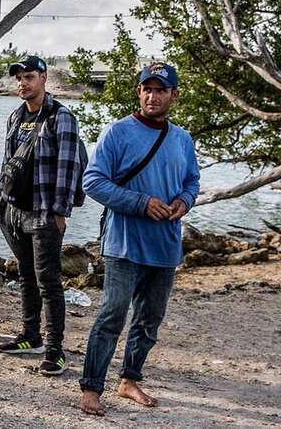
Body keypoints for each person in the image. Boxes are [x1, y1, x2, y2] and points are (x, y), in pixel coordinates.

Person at [79, 63, 199, 416]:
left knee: (150, 319)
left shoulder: (182, 138)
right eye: (147, 88)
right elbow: (93, 182)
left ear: (173, 96)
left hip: (165, 245)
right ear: (138, 92)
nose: (152, 95)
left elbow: (192, 181)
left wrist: (184, 202)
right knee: (112, 313)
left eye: (161, 90)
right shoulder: (117, 133)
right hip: (124, 243)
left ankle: (129, 379)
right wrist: (142, 203)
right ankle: (91, 388)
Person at [0, 56, 85, 376]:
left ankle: (55, 349)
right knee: (26, 276)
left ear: (44, 78)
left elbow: (68, 168)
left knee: (49, 282)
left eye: (29, 77)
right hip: (14, 213)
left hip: (44, 212)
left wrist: (60, 212)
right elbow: (8, 165)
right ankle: (30, 336)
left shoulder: (61, 118)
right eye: (19, 78)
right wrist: (0, 206)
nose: (23, 83)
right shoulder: (15, 117)